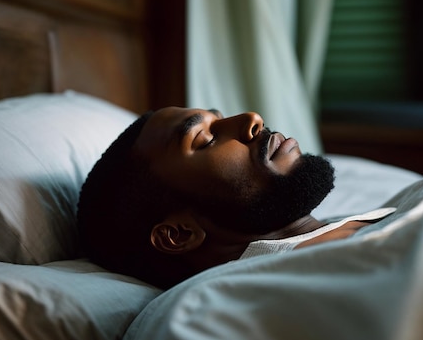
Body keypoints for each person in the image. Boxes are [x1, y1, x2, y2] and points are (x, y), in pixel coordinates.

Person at [77, 107, 394, 289]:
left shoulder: (380, 220)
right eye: (206, 140)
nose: (251, 119)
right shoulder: (228, 311)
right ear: (178, 234)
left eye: (219, 116)